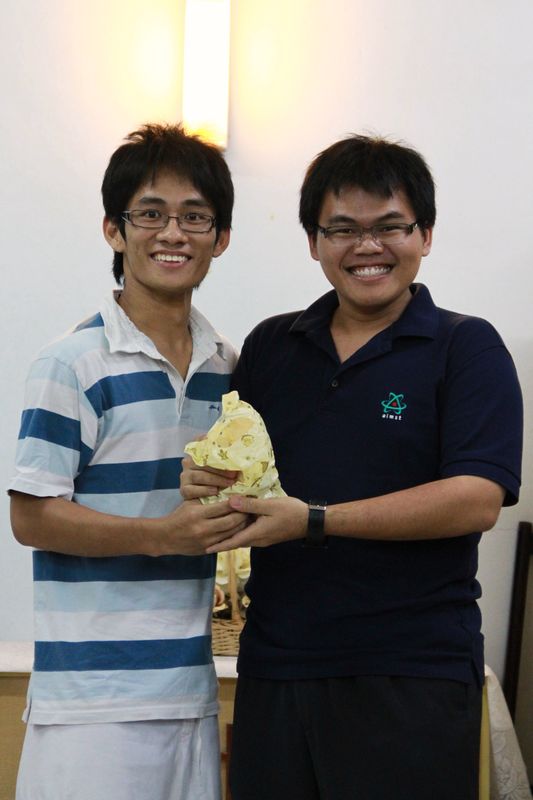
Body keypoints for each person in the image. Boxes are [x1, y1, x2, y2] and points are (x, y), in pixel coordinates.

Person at [180, 134, 524, 800]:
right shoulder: (271, 345)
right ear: (314, 242)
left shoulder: (465, 346)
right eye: (342, 229)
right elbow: (244, 469)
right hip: (276, 667)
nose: (367, 246)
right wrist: (204, 482)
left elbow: (476, 498)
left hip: (410, 674)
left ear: (424, 235)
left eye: (389, 226)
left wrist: (315, 520)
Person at [8, 123, 247, 800]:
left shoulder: (227, 367)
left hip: (190, 692)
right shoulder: (72, 362)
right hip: (91, 703)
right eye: (151, 214)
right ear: (114, 230)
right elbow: (31, 516)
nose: (173, 233)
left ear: (221, 238)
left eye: (195, 216)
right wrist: (160, 535)